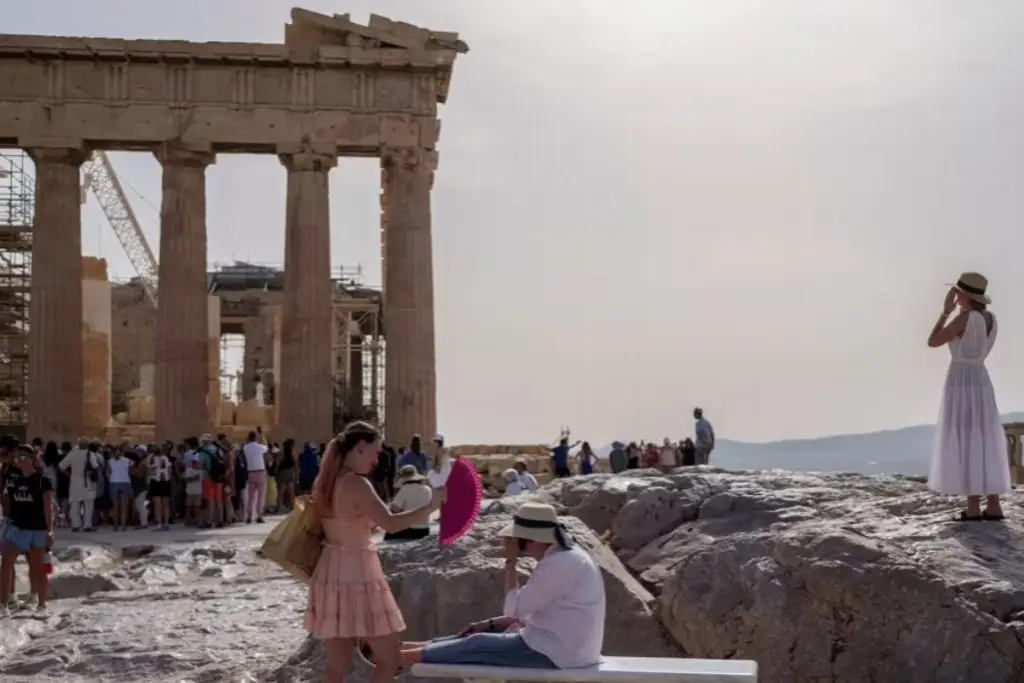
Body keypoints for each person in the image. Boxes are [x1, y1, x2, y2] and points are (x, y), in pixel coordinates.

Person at [369, 502, 605, 671]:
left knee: (476, 644)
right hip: (567, 646)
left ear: (533, 539)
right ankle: (402, 648)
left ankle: (396, 659)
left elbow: (514, 610)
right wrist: (488, 624)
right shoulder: (568, 556)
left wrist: (511, 563)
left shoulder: (559, 564)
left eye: (519, 543)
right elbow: (533, 613)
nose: (517, 546)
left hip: (558, 653)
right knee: (476, 635)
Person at [305, 421, 445, 683]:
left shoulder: (325, 481)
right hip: (358, 572)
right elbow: (390, 523)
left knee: (336, 666)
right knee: (389, 659)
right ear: (361, 447)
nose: (377, 458)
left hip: (330, 571)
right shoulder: (356, 483)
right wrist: (429, 508)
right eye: (375, 450)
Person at [926, 273, 1011, 521]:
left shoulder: (964, 318)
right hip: (981, 379)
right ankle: (994, 504)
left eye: (957, 292)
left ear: (966, 296)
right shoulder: (991, 319)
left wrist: (944, 312)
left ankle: (973, 506)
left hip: (961, 379)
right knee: (985, 436)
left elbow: (933, 342)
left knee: (965, 434)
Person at [1, 445, 54, 614]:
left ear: (32, 459)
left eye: (23, 457)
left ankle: (42, 604)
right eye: (17, 457)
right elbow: (10, 503)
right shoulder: (14, 481)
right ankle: (4, 604)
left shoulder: (43, 481)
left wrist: (50, 531)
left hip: (37, 530)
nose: (19, 460)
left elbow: (48, 508)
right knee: (6, 564)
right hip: (17, 528)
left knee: (39, 568)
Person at [58, 439, 100, 532]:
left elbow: (61, 466)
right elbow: (95, 467)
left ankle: (75, 525)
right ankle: (87, 525)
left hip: (74, 482)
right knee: (88, 505)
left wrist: (69, 475)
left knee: (74, 504)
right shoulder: (90, 454)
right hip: (87, 483)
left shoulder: (72, 453)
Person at [384, 465, 433, 541]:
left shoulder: (405, 489)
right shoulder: (428, 489)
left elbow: (395, 509)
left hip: (410, 529)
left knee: (388, 534)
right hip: (425, 529)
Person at [241, 430, 268, 524]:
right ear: (255, 438)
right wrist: (262, 435)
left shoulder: (246, 447)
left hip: (251, 472)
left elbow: (244, 446)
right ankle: (259, 515)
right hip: (260, 471)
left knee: (250, 496)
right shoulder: (259, 447)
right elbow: (266, 446)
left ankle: (249, 515)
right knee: (260, 496)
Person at [148, 443, 173, 530]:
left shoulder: (153, 458)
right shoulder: (165, 458)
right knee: (163, 503)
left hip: (157, 481)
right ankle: (164, 523)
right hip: (164, 481)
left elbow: (151, 469)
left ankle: (161, 523)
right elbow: (170, 470)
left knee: (159, 504)